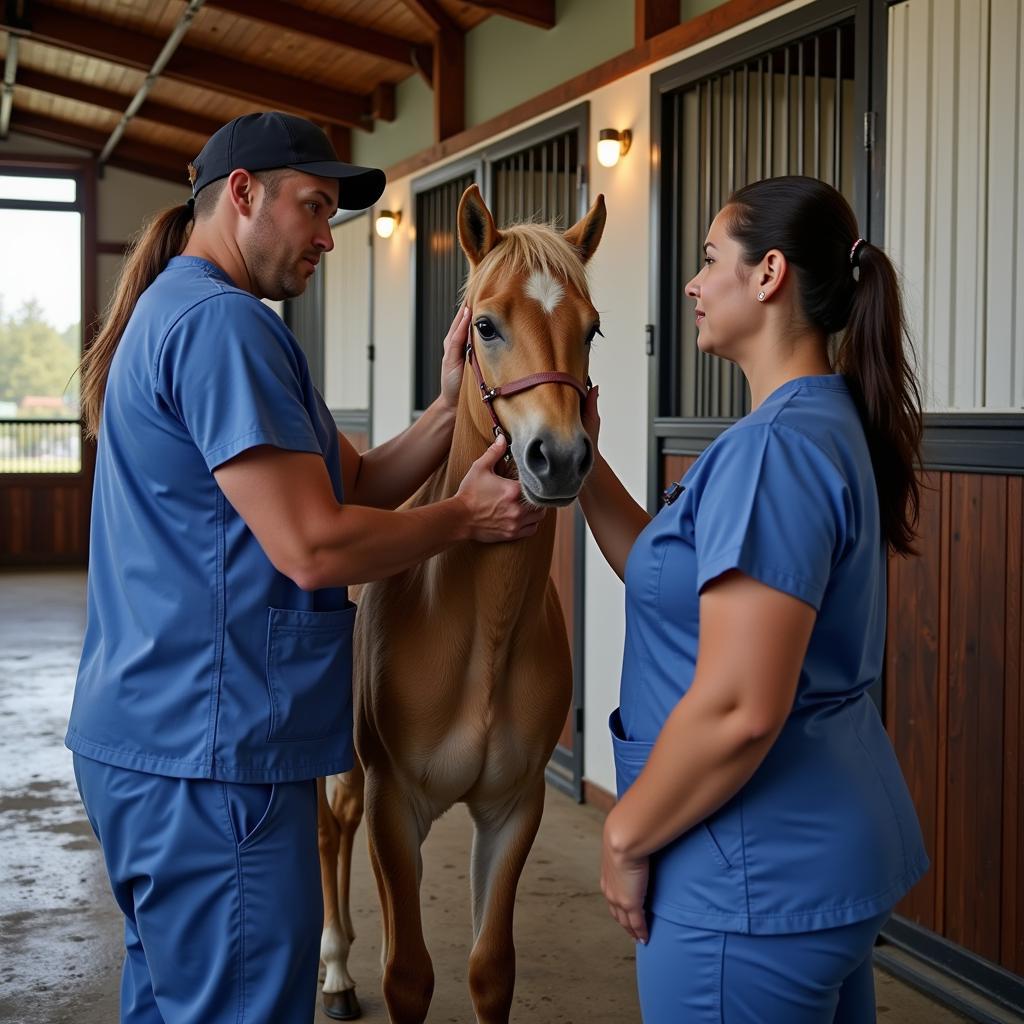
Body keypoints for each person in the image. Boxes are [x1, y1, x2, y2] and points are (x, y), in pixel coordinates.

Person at [65, 111, 543, 1024]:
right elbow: (314, 544)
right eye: (315, 206)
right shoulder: (223, 328)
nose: (329, 235)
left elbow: (354, 482)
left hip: (154, 740)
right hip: (212, 756)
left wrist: (450, 409)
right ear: (242, 196)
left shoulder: (194, 313)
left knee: (174, 1004)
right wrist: (464, 518)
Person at [579, 175, 929, 1022]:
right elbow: (674, 586)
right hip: (818, 855)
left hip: (749, 873)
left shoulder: (770, 449)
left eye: (708, 259)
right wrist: (581, 465)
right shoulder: (822, 422)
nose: (693, 285)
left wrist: (624, 836)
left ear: (768, 274)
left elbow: (740, 705)